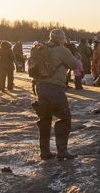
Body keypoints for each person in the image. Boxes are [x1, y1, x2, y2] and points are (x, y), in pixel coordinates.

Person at [32, 29, 80, 161]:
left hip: (40, 86)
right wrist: (72, 53)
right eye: (64, 38)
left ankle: (45, 152)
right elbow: (75, 64)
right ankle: (62, 151)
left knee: (45, 119)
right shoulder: (62, 50)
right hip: (55, 88)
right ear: (61, 39)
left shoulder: (42, 48)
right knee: (64, 118)